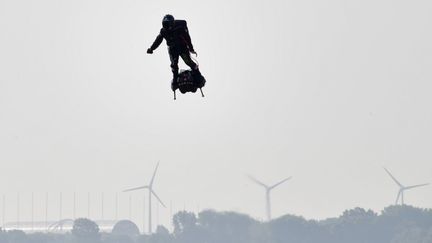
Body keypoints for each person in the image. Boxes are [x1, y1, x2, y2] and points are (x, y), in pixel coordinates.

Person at [147, 14, 202, 89]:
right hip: (172, 49)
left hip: (182, 48)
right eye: (165, 25)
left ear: (172, 23)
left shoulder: (180, 27)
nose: (167, 27)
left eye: (168, 25)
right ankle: (175, 80)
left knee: (188, 61)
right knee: (174, 65)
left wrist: (191, 48)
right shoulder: (163, 31)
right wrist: (151, 48)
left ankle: (197, 75)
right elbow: (158, 40)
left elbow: (187, 38)